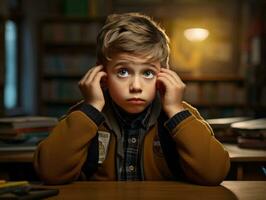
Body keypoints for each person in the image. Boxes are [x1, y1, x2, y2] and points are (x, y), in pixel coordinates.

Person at [33, 13, 230, 185]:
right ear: (102, 75)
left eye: (147, 73)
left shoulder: (181, 115)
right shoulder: (83, 116)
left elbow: (214, 174)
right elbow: (50, 173)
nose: (136, 86)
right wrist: (92, 108)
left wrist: (176, 110)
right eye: (123, 72)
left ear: (164, 75)